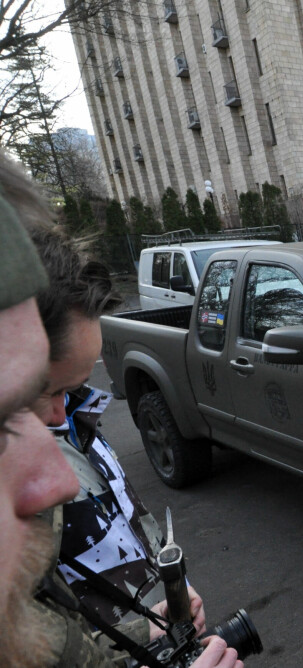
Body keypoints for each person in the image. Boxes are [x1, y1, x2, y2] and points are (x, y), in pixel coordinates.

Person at [0, 157, 239, 668]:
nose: (57, 481)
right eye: (15, 410)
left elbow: (125, 522)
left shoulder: (76, 415)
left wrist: (148, 623)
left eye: (77, 389)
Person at [29, 226, 198, 632]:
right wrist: (140, 638)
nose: (60, 416)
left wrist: (175, 588)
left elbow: (129, 514)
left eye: (72, 390)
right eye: (46, 391)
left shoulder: (76, 411)